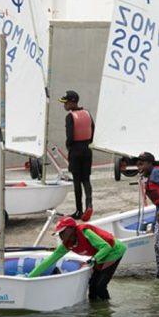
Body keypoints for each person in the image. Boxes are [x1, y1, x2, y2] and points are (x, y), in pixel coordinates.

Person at [28, 216, 126, 301]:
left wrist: (94, 259)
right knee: (92, 289)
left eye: (63, 232)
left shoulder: (85, 232)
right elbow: (49, 261)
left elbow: (106, 247)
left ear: (71, 229)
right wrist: (30, 277)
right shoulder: (66, 245)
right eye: (59, 233)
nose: (61, 235)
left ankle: (106, 310)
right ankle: (95, 315)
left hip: (114, 251)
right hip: (100, 256)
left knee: (100, 287)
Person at [60, 90, 95, 220]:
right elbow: (93, 129)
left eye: (66, 102)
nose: (64, 105)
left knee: (77, 181)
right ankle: (89, 205)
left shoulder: (70, 117)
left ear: (73, 102)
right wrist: (87, 142)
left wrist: (69, 146)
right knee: (86, 180)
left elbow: (70, 137)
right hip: (87, 149)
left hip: (75, 151)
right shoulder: (87, 113)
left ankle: (79, 211)